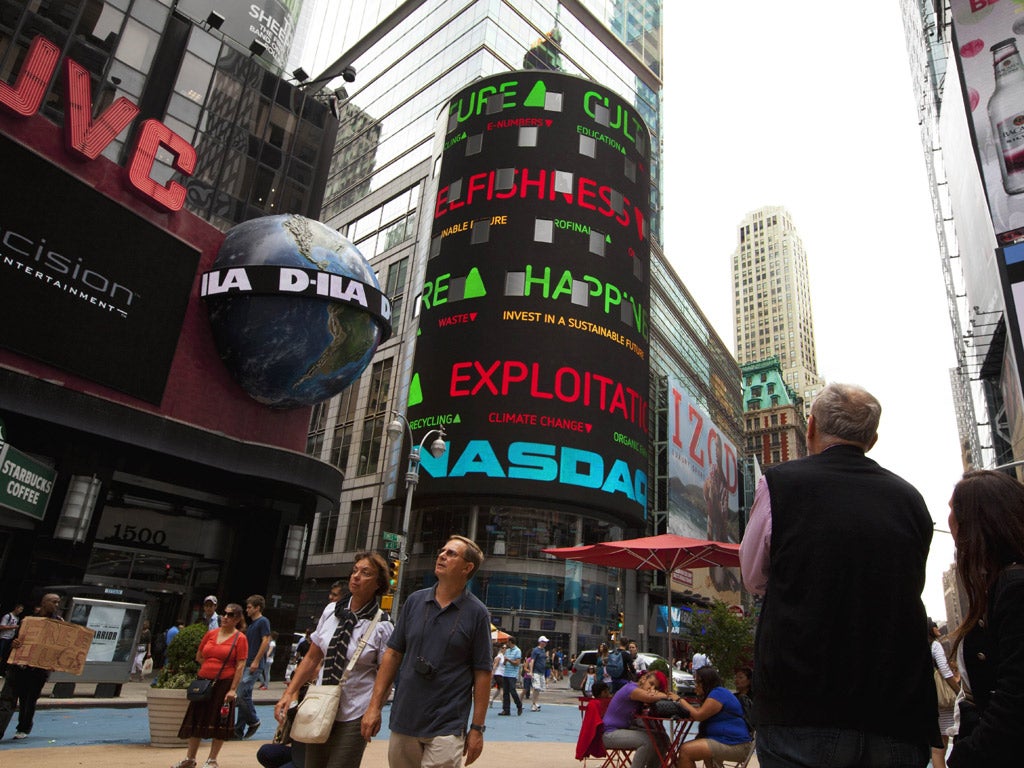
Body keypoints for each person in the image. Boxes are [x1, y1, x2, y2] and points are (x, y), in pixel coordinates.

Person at [740, 382, 938, 767]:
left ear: (809, 427)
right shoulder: (911, 499)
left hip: (800, 711)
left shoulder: (779, 483)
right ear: (873, 439)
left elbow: (752, 576)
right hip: (897, 714)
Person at [361, 535, 492, 768]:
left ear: (467, 568)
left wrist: (477, 729)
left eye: (451, 553)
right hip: (405, 719)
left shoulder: (478, 613)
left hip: (447, 724)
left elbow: (482, 673)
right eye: (442, 550)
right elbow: (392, 654)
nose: (442, 555)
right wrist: (374, 707)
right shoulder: (414, 601)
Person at [274, 551, 394, 768]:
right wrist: (290, 692)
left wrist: (375, 709)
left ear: (378, 583)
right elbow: (312, 657)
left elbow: (386, 675)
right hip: (320, 704)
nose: (356, 576)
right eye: (355, 570)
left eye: (365, 573)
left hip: (355, 711)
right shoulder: (331, 611)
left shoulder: (382, 625)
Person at [945, 470, 1024, 767]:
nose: (948, 520)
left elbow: (1013, 702)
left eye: (953, 510)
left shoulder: (1015, 588)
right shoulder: (999, 586)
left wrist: (964, 758)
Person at [170, 602, 248, 768]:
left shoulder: (240, 638)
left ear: (237, 619)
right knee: (197, 718)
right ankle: (190, 758)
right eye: (224, 614)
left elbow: (240, 666)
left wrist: (233, 689)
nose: (225, 617)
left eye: (230, 615)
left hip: (224, 684)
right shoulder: (211, 634)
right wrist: (210, 668)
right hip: (204, 682)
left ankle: (212, 759)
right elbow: (199, 656)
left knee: (220, 720)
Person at [0, 593, 61, 740]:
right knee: (6, 700)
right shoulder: (28, 620)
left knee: (28, 702)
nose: (57, 605)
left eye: (58, 603)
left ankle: (24, 727)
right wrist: (14, 643)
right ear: (44, 602)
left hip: (37, 671)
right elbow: (17, 638)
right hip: (18, 668)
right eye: (54, 602)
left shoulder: (59, 623)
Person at [676, 666, 753, 768]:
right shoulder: (716, 693)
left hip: (736, 744)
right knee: (689, 750)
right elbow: (699, 712)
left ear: (705, 682)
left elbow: (699, 716)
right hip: (725, 741)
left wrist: (679, 700)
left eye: (698, 683)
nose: (695, 686)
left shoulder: (718, 693)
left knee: (686, 751)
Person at [601, 670, 675, 768]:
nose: (651, 688)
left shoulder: (638, 691)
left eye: (656, 687)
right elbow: (649, 697)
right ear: (644, 679)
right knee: (647, 741)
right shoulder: (631, 689)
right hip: (609, 733)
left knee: (663, 738)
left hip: (623, 729)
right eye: (651, 683)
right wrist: (667, 695)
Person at [236, 594, 272, 739]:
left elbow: (265, 641)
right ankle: (238, 730)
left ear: (257, 608)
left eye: (250, 607)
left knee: (242, 694)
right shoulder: (252, 624)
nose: (247, 610)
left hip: (253, 663)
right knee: (245, 695)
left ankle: (254, 720)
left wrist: (256, 660)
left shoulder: (263, 621)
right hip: (248, 662)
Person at [929, 620, 958, 768]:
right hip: (944, 700)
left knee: (938, 744)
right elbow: (945, 671)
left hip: (931, 699)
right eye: (934, 626)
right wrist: (958, 691)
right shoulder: (935, 646)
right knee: (943, 743)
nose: (937, 628)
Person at [498, 637, 523, 716]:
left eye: (508, 642)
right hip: (506, 673)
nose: (507, 644)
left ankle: (519, 705)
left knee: (512, 690)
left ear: (511, 642)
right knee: (505, 692)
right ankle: (506, 710)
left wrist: (508, 660)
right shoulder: (507, 651)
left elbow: (517, 663)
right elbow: (504, 664)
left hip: (512, 674)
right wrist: (505, 661)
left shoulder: (517, 651)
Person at [527, 635, 549, 712]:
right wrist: (531, 671)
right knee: (536, 688)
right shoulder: (535, 650)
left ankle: (535, 703)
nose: (545, 643)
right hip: (536, 671)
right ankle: (533, 704)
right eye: (544, 642)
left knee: (539, 689)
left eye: (546, 642)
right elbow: (532, 661)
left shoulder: (543, 650)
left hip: (542, 672)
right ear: (540, 642)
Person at [0, 604, 23, 676]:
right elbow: (2, 626)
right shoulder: (8, 616)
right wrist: (14, 627)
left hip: (10, 638)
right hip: (4, 637)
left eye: (22, 610)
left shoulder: (17, 618)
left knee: (5, 656)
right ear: (16, 608)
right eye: (20, 609)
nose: (20, 611)